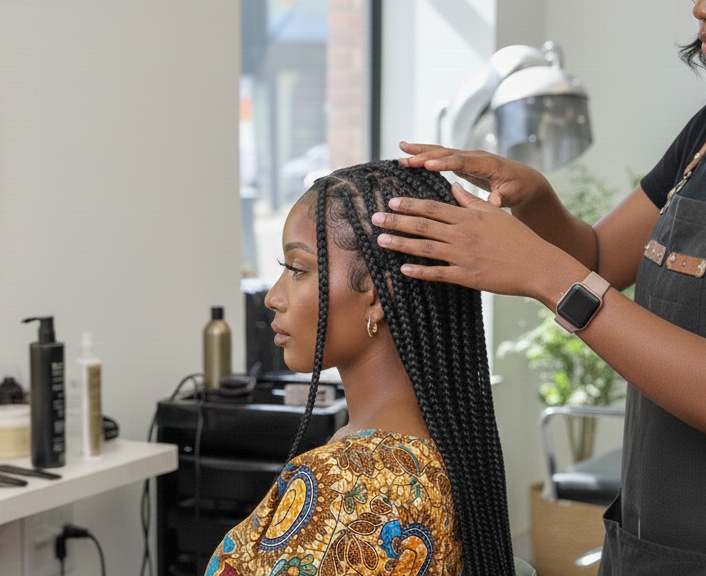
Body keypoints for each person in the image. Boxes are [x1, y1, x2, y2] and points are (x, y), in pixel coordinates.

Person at [369, 4, 706, 573]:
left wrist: (548, 277)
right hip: (653, 543)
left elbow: (573, 275)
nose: (697, 5)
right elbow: (599, 258)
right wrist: (535, 199)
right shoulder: (702, 135)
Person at [205, 161, 516, 576]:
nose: (273, 298)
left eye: (297, 270)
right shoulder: (450, 453)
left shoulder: (346, 482)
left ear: (376, 295)